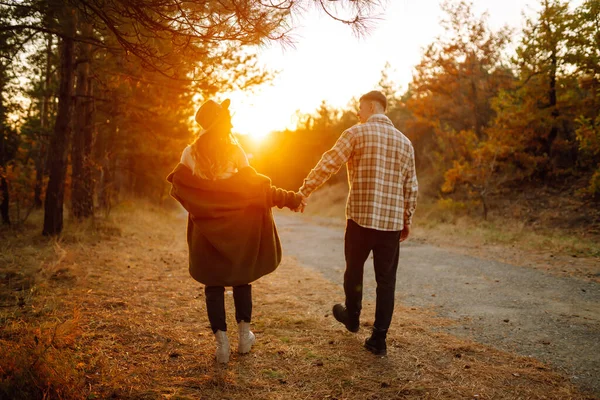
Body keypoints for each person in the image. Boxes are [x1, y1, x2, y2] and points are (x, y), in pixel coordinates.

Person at [167, 98, 305, 364]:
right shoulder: (235, 151)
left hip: (205, 231)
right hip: (240, 229)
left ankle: (221, 346)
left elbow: (180, 188)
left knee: (213, 283)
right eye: (225, 116)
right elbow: (256, 189)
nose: (230, 120)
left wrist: (204, 206)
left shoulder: (189, 153)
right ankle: (244, 339)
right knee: (242, 279)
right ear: (219, 122)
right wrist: (290, 198)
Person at [297, 90, 418, 356]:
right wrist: (406, 219)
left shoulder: (356, 133)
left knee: (354, 271)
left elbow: (329, 163)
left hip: (360, 221)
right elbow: (411, 187)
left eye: (360, 109)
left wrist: (305, 190)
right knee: (386, 282)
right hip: (390, 224)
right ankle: (379, 340)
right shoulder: (405, 143)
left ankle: (352, 317)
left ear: (372, 106)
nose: (358, 114)